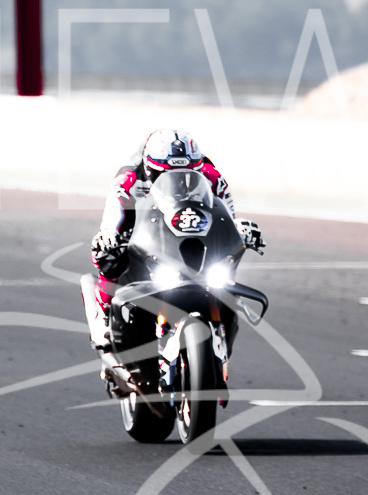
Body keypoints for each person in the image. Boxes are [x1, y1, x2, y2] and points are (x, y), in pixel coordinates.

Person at [79, 128, 264, 351]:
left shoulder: (212, 178)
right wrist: (110, 235)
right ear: (149, 169)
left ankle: (220, 321)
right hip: (141, 224)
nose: (177, 180)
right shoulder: (127, 180)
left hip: (189, 224)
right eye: (164, 174)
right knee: (107, 254)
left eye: (188, 173)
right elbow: (112, 219)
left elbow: (226, 216)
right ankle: (104, 312)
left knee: (224, 259)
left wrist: (241, 229)